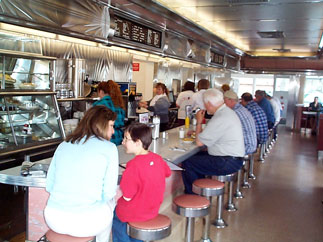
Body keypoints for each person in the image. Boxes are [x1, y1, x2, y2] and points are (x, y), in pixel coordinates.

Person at [44, 106, 119, 242]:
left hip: (54, 218)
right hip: (86, 223)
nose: (113, 131)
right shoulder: (110, 148)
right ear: (100, 125)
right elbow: (108, 193)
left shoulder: (64, 144)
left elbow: (49, 185)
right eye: (111, 126)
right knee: (110, 203)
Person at [112, 123, 171, 242]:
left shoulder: (133, 166)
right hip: (152, 210)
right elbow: (167, 172)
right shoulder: (157, 158)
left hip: (135, 212)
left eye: (126, 139)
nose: (123, 142)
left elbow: (128, 196)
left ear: (137, 142)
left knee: (116, 216)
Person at [182, 88, 245, 194]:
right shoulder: (226, 112)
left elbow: (199, 142)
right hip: (232, 158)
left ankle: (193, 195)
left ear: (209, 103)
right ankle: (199, 190)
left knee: (188, 163)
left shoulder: (220, 117)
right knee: (195, 158)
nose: (205, 108)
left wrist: (198, 122)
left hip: (228, 161)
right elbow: (210, 134)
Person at [224, 90, 257, 155]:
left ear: (230, 100)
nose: (223, 104)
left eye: (224, 101)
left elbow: (226, 131)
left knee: (214, 150)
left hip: (245, 146)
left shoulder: (234, 112)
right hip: (251, 144)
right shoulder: (241, 109)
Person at [93, 80, 125, 145]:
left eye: (98, 93)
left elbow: (94, 123)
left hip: (106, 138)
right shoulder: (118, 103)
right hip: (119, 137)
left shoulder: (99, 104)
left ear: (101, 91)